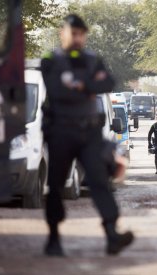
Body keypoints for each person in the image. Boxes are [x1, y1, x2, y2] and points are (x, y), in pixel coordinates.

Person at [41, 14, 133, 257]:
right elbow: (57, 91)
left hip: (89, 132)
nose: (78, 38)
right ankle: (53, 238)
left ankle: (112, 234)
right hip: (61, 130)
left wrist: (81, 86)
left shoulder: (93, 59)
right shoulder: (51, 59)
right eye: (73, 33)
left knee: (100, 181)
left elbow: (109, 83)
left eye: (82, 34)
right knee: (57, 185)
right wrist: (89, 86)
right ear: (63, 33)